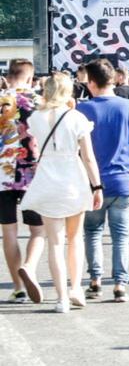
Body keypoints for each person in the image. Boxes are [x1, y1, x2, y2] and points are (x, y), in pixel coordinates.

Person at [20, 73, 103, 313]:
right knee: (74, 239)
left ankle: (61, 298)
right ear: (69, 92)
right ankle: (75, 288)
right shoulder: (77, 117)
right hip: (72, 179)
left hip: (47, 178)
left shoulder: (36, 117)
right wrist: (96, 186)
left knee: (55, 243)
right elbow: (88, 157)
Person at [78, 58, 129, 303]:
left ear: (91, 82)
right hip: (124, 180)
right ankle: (120, 284)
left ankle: (95, 280)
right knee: (121, 235)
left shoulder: (83, 110)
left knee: (92, 231)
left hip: (93, 182)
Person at [0, 59, 45, 304]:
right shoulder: (39, 102)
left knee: (9, 231)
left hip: (2, 176)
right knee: (38, 230)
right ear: (30, 78)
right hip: (33, 174)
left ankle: (17, 288)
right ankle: (28, 266)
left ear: (7, 77)